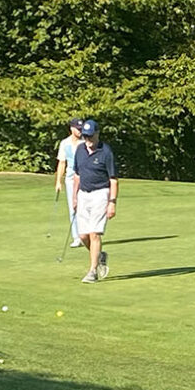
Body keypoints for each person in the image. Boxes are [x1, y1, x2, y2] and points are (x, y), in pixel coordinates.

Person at [73, 119, 118, 283]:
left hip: (101, 193)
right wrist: (74, 197)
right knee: (83, 236)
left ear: (97, 134)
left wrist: (112, 202)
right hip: (83, 194)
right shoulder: (80, 150)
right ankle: (99, 256)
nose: (88, 140)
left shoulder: (106, 152)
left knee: (94, 233)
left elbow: (113, 179)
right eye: (85, 137)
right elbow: (77, 175)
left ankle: (92, 271)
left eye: (91, 137)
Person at [55, 118, 84, 248]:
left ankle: (85, 234)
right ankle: (76, 237)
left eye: (81, 128)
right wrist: (58, 182)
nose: (80, 131)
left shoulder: (85, 142)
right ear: (71, 129)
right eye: (78, 129)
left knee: (84, 207)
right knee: (73, 208)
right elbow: (62, 163)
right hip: (70, 179)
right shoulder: (64, 143)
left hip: (84, 178)